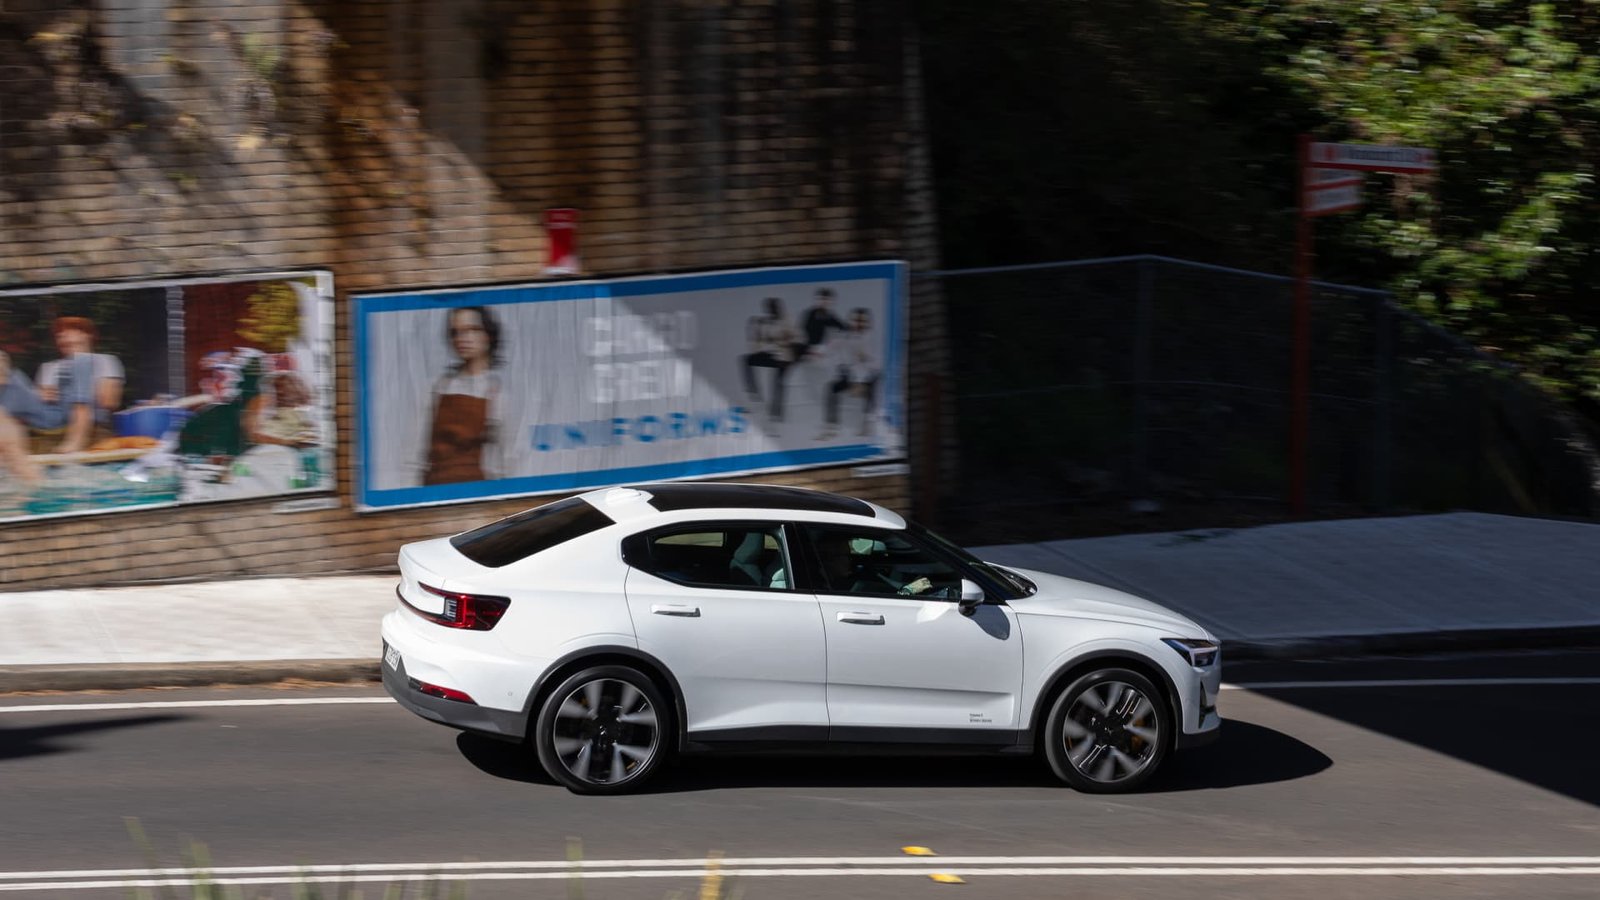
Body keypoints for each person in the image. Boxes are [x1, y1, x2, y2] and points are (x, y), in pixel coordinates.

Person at [422, 306, 504, 485]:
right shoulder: (439, 387)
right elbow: (418, 455)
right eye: (455, 332)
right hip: (434, 488)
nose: (462, 339)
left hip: (475, 488)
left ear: (488, 334)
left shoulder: (498, 391)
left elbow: (506, 459)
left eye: (472, 330)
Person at [817, 307, 881, 440]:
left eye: (862, 321)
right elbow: (835, 354)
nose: (858, 324)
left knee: (874, 383)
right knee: (831, 388)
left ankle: (868, 423)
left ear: (868, 323)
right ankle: (831, 426)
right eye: (856, 320)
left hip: (868, 375)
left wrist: (860, 381)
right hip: (850, 375)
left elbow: (875, 365)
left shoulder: (872, 339)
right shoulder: (845, 337)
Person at [740, 296, 797, 421]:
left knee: (778, 381)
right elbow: (758, 343)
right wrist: (756, 329)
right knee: (747, 359)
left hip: (785, 357)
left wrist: (780, 342)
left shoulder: (787, 320)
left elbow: (794, 338)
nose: (772, 311)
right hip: (771, 354)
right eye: (770, 309)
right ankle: (754, 394)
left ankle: (776, 413)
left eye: (774, 308)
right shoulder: (764, 322)